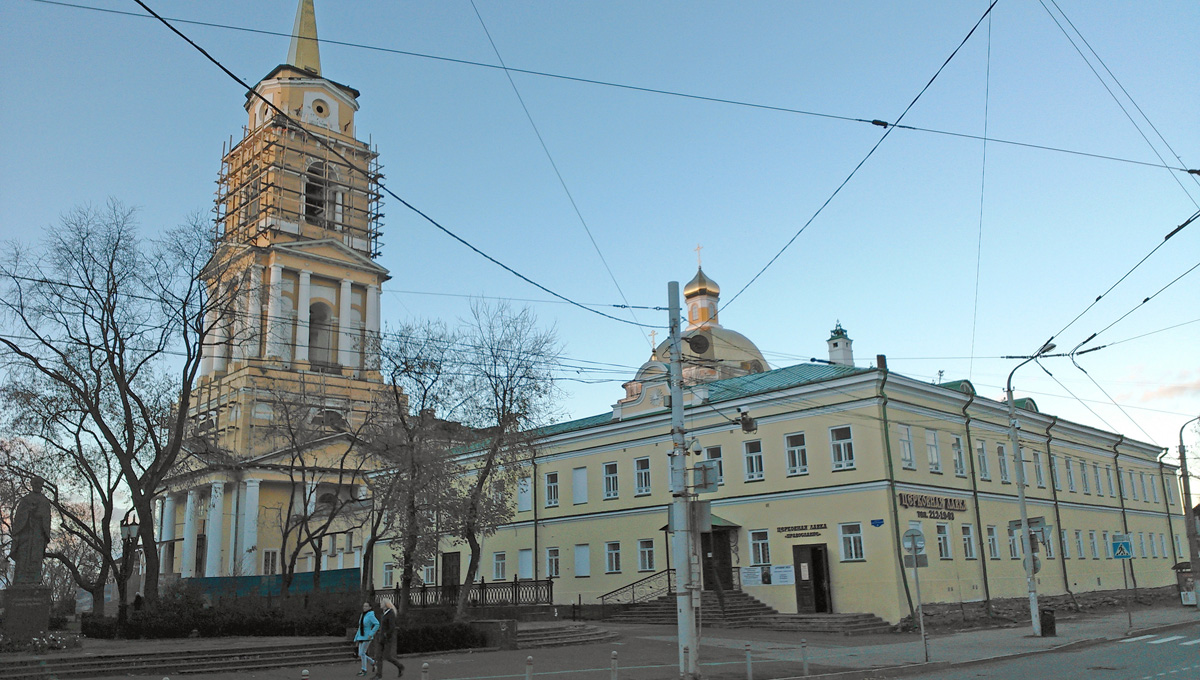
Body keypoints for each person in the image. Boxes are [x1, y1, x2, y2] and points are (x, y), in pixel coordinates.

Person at [373, 599, 404, 678]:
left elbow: (392, 627)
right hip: (381, 638)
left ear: (386, 604)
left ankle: (400, 666)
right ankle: (378, 674)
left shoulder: (390, 613)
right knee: (378, 656)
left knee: (387, 656)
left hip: (387, 639)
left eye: (382, 603)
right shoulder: (384, 614)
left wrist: (387, 634)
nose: (380, 604)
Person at [354, 601, 379, 676]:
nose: (364, 607)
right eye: (364, 606)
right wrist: (356, 638)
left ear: (370, 607)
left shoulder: (371, 615)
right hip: (361, 636)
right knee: (360, 653)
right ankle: (373, 662)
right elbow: (360, 627)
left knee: (362, 653)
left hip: (367, 636)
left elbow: (377, 624)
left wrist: (371, 634)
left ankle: (364, 670)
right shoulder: (362, 615)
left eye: (366, 606)